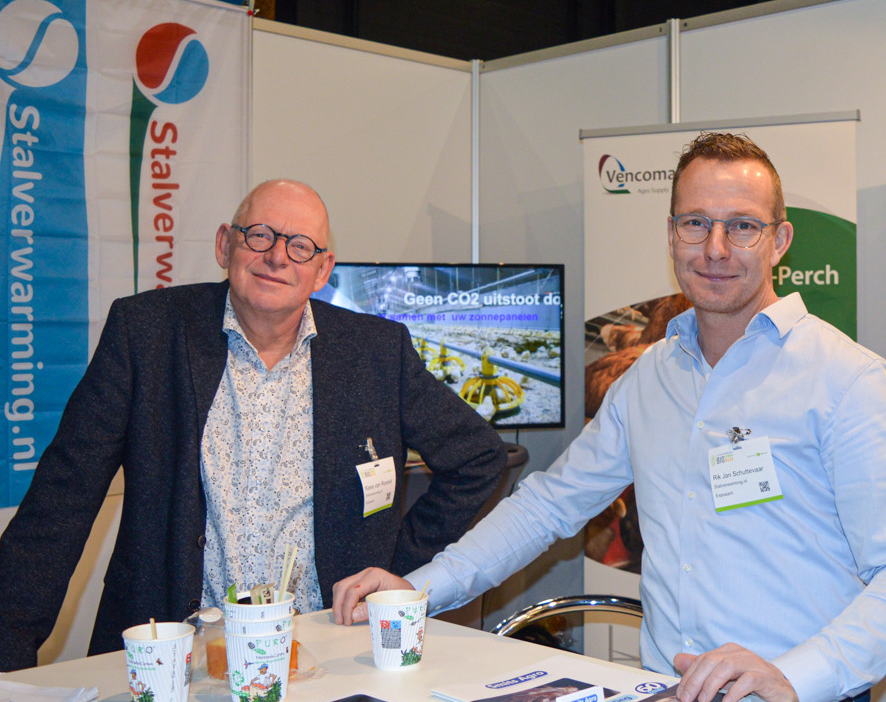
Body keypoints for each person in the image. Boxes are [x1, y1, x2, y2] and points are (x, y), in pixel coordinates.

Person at [332, 134, 886, 702]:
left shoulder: (848, 379)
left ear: (780, 241)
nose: (715, 248)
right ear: (671, 233)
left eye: (742, 226)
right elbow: (548, 506)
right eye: (696, 223)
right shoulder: (651, 376)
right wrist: (419, 589)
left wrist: (793, 675)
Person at [0, 179, 507, 672]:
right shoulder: (147, 332)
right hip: (174, 656)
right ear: (225, 244)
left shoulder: (376, 351)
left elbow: (479, 457)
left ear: (323, 269)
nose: (278, 257)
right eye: (260, 235)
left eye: (301, 246)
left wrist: (398, 566)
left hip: (327, 649)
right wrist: (8, 654)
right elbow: (63, 497)